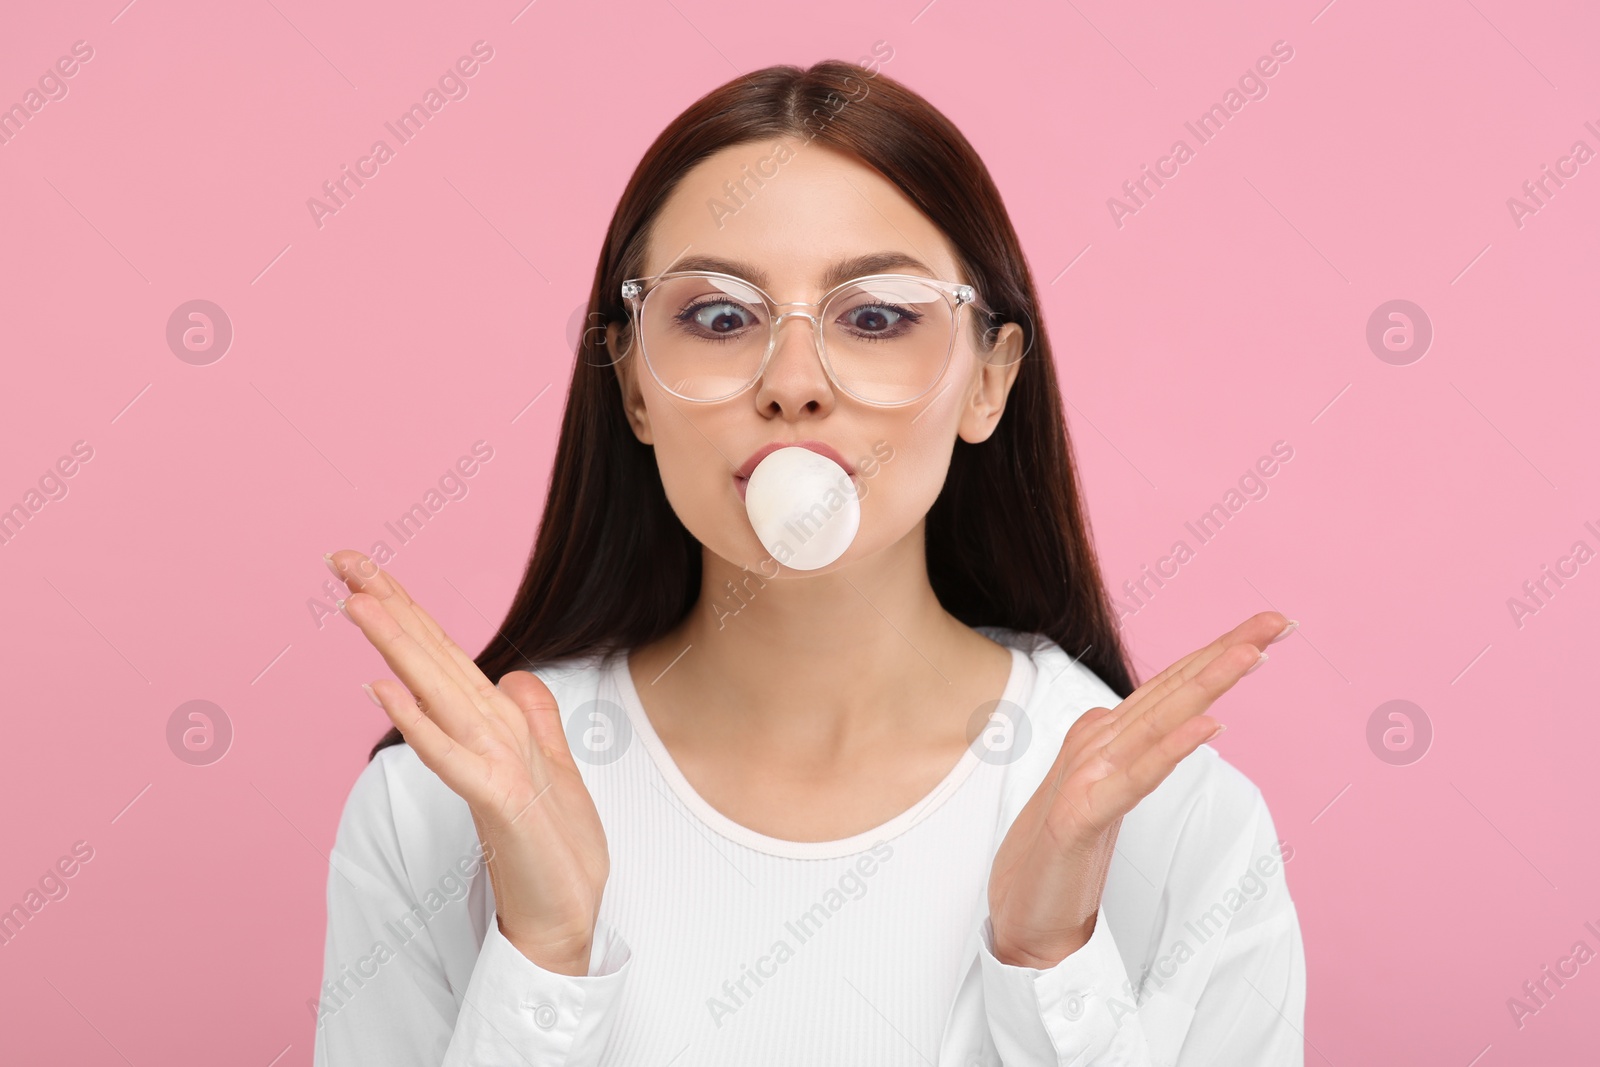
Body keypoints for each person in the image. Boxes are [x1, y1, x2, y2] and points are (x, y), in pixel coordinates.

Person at [312, 59, 1306, 1066]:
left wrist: (1050, 966)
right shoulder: (445, 808)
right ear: (634, 385)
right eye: (718, 316)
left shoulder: (1174, 825)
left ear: (988, 381)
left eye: (875, 316)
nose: (792, 384)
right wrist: (544, 966)